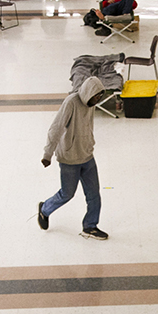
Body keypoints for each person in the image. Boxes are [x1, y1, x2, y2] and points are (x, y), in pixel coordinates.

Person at [38, 76, 109, 240]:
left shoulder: (90, 103)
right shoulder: (71, 102)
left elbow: (87, 126)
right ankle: (44, 210)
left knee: (94, 195)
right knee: (67, 194)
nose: (98, 100)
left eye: (100, 96)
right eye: (96, 96)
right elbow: (56, 128)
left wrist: (90, 143)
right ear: (88, 93)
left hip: (87, 156)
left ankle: (90, 226)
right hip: (69, 159)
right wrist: (47, 154)